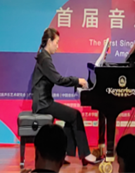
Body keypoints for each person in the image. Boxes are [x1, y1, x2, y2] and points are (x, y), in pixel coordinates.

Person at [31, 27, 99, 166]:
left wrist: (76, 82)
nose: (57, 46)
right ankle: (86, 155)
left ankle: (66, 154)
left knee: (71, 116)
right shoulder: (45, 59)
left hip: (44, 101)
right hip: (43, 104)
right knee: (75, 115)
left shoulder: (44, 56)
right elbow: (58, 79)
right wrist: (77, 81)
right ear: (49, 41)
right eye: (56, 42)